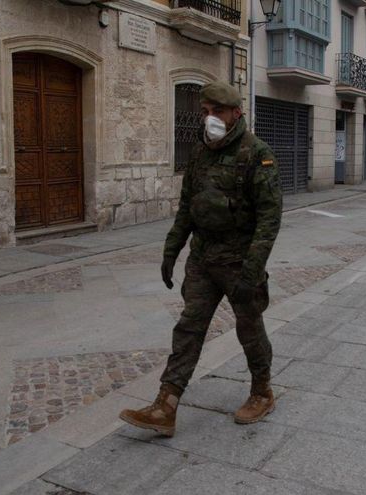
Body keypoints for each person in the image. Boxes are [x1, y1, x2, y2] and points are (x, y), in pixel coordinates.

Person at [119, 81, 282, 436]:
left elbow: (269, 220)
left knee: (249, 328)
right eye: (205, 112)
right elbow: (187, 208)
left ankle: (262, 391)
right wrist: (171, 249)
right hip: (203, 259)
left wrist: (252, 272)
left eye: (217, 112)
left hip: (240, 262)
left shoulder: (258, 154)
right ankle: (166, 405)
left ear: (236, 113)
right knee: (189, 328)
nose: (210, 119)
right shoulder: (199, 153)